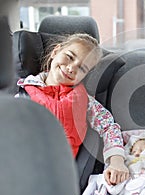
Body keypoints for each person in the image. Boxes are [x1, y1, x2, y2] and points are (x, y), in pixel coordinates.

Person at [16, 33, 129, 186]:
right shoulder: (22, 93)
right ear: (55, 52)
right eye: (69, 57)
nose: (71, 68)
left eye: (81, 68)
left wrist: (116, 161)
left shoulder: (85, 101)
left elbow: (109, 127)